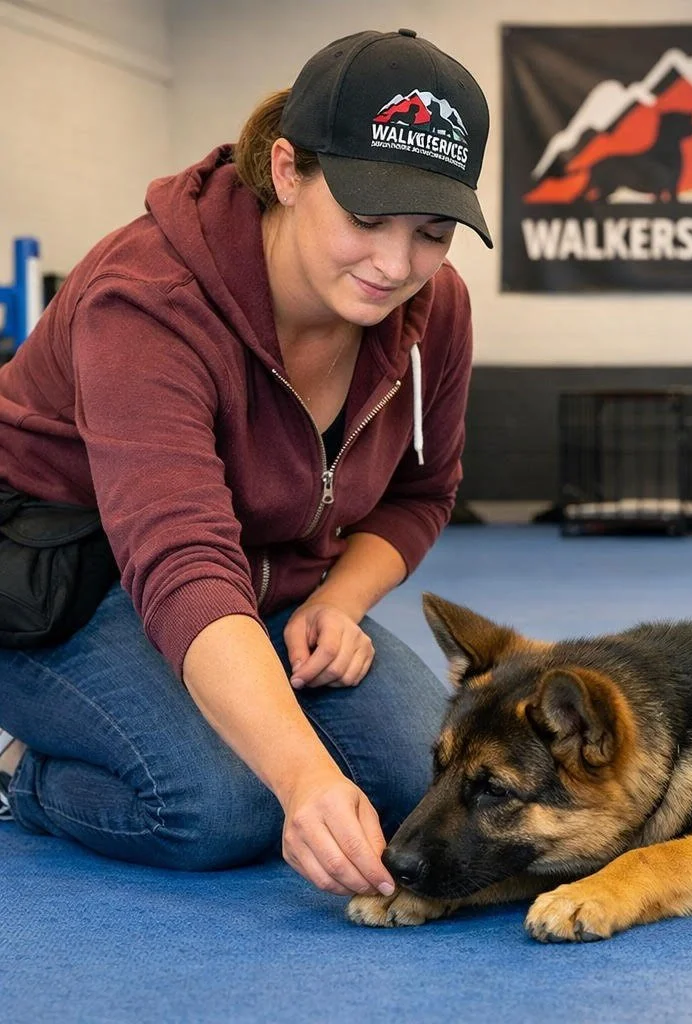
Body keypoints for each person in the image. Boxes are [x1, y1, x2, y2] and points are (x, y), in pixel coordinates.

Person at [0, 27, 491, 899]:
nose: (394, 264)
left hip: (267, 582)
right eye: (366, 218)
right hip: (59, 582)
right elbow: (182, 558)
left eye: (431, 231)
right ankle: (21, 772)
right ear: (290, 171)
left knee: (425, 789)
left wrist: (340, 602)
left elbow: (422, 492)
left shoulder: (433, 309)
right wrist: (301, 778)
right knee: (220, 809)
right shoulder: (147, 301)